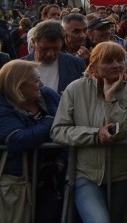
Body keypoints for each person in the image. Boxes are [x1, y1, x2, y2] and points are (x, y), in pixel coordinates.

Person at [51, 41, 127, 223]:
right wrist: (94, 135)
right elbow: (58, 130)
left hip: (122, 173)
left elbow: (122, 131)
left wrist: (110, 99)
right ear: (94, 66)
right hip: (85, 174)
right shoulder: (76, 88)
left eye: (120, 60)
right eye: (108, 61)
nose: (116, 65)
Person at [0, 60, 65, 221]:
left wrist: (62, 158)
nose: (41, 83)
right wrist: (49, 122)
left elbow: (66, 126)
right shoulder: (3, 107)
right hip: (18, 181)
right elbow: (17, 139)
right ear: (19, 86)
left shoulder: (47, 96)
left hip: (49, 178)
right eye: (36, 80)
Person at [24, 19, 86, 94]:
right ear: (33, 42)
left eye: (56, 48)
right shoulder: (20, 67)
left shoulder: (76, 64)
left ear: (62, 43)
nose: (50, 54)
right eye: (45, 49)